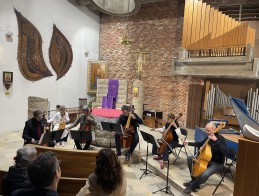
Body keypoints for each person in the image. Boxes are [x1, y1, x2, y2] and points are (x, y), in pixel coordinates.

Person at [182, 122, 235, 194]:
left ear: (214, 129)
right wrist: (188, 143)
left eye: (208, 130)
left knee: (205, 174)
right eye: (206, 130)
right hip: (206, 159)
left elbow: (226, 152)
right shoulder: (209, 137)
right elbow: (201, 144)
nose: (207, 132)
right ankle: (194, 181)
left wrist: (216, 141)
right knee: (190, 158)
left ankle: (192, 186)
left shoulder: (221, 139)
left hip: (217, 163)